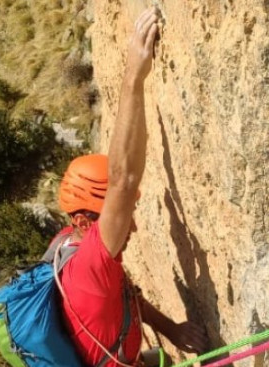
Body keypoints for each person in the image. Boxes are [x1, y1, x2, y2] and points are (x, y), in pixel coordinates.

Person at [49, 8, 208, 367]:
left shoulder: (68, 247)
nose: (131, 226)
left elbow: (123, 294)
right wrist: (133, 76)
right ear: (89, 219)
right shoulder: (90, 263)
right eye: (121, 214)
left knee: (163, 359)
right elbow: (124, 179)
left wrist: (172, 329)